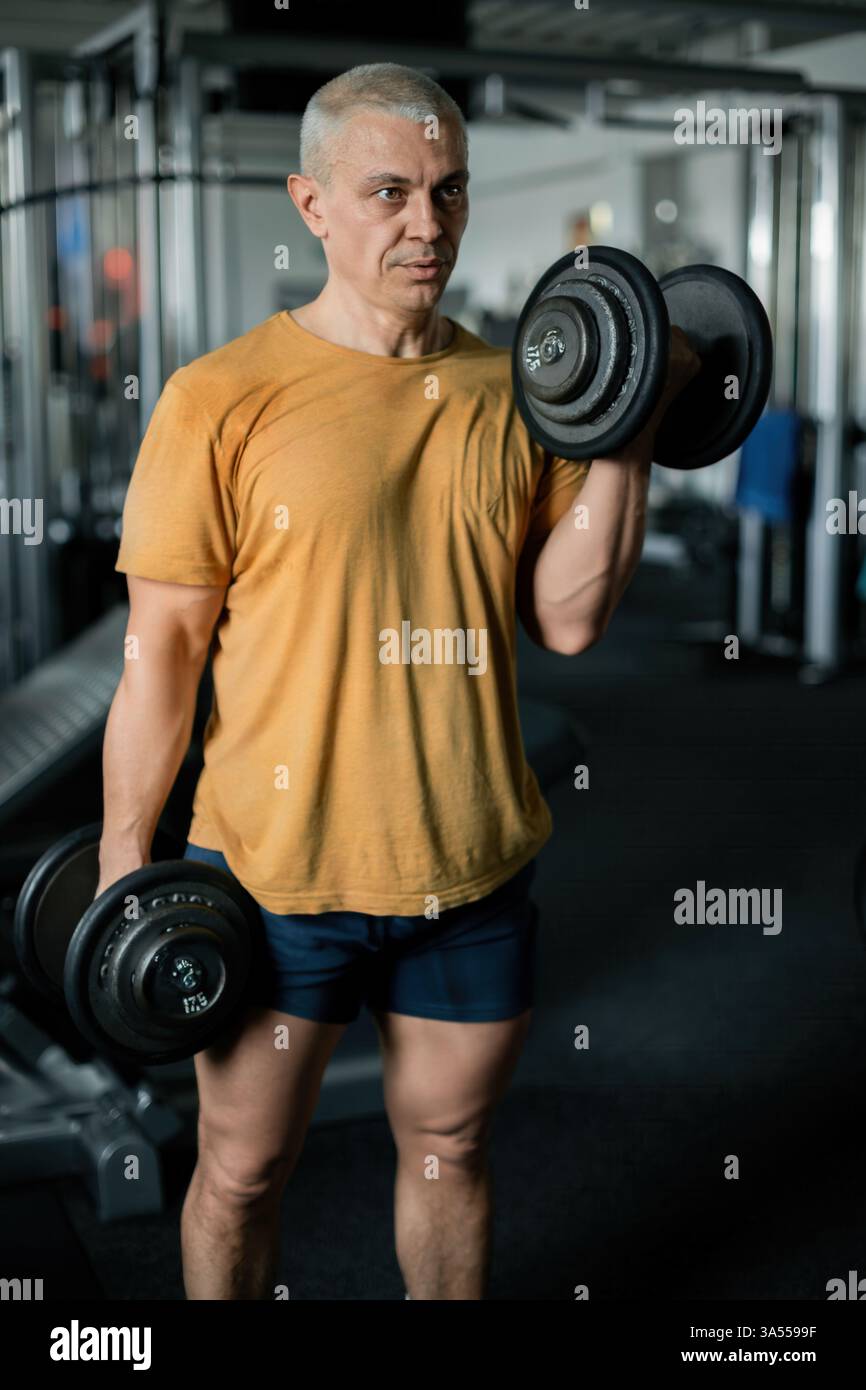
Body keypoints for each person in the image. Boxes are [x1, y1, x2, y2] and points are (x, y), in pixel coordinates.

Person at [99, 62, 699, 1300]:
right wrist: (120, 856)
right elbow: (160, 652)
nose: (425, 224)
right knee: (243, 1173)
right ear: (310, 204)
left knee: (451, 1149)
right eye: (388, 193)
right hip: (271, 872)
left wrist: (626, 420)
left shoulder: (521, 397)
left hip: (468, 867)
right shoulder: (220, 398)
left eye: (447, 191)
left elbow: (569, 621)